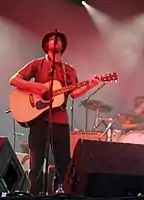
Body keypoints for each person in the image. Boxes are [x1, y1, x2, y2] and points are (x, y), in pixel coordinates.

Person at [9, 31, 100, 195]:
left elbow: (74, 93)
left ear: (62, 46)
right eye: (52, 39)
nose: (56, 41)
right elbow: (14, 80)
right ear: (46, 45)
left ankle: (62, 192)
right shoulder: (36, 64)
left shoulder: (69, 70)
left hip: (60, 121)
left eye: (59, 40)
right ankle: (31, 194)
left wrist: (90, 85)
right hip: (38, 120)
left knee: (63, 161)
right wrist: (38, 87)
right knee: (36, 163)